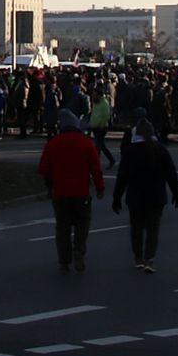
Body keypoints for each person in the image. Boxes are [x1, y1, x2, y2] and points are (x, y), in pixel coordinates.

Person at [37, 109, 106, 273]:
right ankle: (79, 250)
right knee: (83, 223)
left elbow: (44, 169)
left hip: (60, 193)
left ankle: (64, 260)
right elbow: (96, 169)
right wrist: (100, 188)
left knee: (62, 227)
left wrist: (50, 187)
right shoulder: (86, 143)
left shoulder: (53, 143)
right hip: (81, 192)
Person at [110, 119, 178, 273]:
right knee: (152, 229)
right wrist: (176, 194)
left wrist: (117, 198)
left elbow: (122, 177)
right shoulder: (160, 150)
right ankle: (149, 258)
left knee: (136, 228)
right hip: (156, 196)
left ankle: (138, 258)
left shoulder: (130, 151)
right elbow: (171, 174)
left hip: (135, 196)